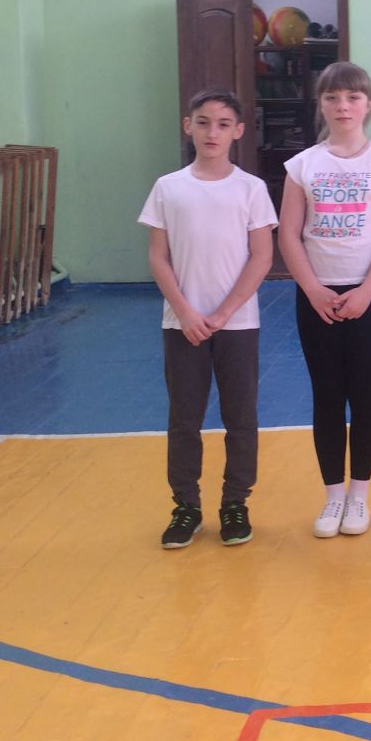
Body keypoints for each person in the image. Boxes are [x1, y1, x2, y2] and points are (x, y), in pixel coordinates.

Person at [140, 88, 276, 549]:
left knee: (241, 417)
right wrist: (185, 311)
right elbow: (158, 257)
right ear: (188, 127)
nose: (212, 132)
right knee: (184, 419)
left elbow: (261, 257)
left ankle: (235, 503)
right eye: (203, 122)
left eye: (222, 124)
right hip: (183, 326)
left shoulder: (251, 189)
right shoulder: (168, 188)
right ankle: (186, 506)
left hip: (237, 325)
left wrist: (222, 312)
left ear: (238, 131)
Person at [279, 62, 371, 539]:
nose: (343, 106)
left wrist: (368, 291)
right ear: (322, 104)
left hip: (369, 294)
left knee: (365, 392)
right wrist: (313, 288)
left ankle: (359, 495)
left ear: (367, 104)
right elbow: (289, 234)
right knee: (327, 395)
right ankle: (333, 495)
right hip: (317, 297)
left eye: (352, 97)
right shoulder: (302, 166)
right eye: (332, 97)